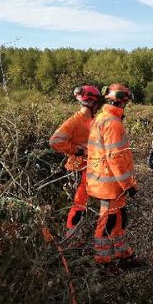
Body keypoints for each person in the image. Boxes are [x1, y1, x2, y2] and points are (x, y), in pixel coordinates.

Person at [87, 83, 143, 274]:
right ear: (122, 101)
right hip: (109, 183)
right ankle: (103, 262)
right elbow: (116, 158)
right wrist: (129, 185)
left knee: (119, 218)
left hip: (107, 182)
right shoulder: (112, 123)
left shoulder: (103, 118)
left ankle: (123, 255)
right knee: (108, 221)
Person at [49, 85, 103, 249]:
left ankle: (77, 236)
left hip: (90, 167)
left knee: (83, 203)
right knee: (78, 204)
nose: (99, 106)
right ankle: (71, 238)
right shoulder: (75, 121)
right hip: (77, 169)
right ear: (91, 102)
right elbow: (55, 141)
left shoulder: (92, 120)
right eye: (97, 103)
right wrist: (77, 150)